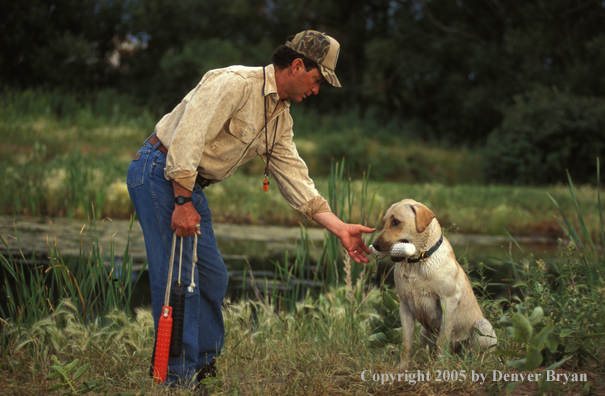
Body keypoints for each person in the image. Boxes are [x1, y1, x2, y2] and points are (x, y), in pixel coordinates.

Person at [126, 30, 375, 388]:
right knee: (179, 281)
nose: (316, 91)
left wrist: (339, 228)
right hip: (160, 173)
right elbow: (187, 138)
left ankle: (204, 370)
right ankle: (176, 380)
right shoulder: (234, 83)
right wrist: (181, 201)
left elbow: (295, 178)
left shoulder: (279, 117)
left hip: (188, 183)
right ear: (297, 65)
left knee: (213, 277)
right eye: (317, 80)